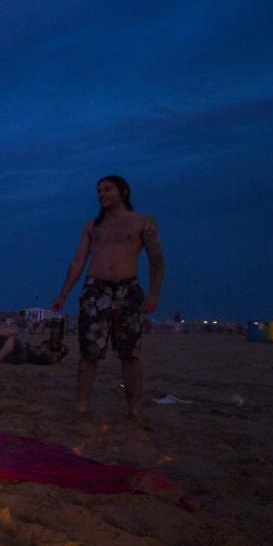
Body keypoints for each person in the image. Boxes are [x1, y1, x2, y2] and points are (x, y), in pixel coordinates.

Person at [50, 175, 164, 422]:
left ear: (123, 191)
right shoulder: (93, 226)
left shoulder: (142, 223)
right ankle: (82, 405)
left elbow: (156, 259)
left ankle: (133, 408)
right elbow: (79, 260)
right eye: (99, 190)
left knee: (130, 352)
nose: (102, 194)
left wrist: (154, 294)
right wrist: (63, 294)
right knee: (89, 351)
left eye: (107, 189)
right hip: (96, 289)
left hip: (127, 289)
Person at [0, 327, 69, 366]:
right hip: (20, 351)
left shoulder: (54, 357)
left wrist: (59, 353)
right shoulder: (45, 346)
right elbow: (34, 346)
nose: (57, 346)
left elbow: (52, 359)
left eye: (60, 348)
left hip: (23, 356)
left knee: (12, 338)